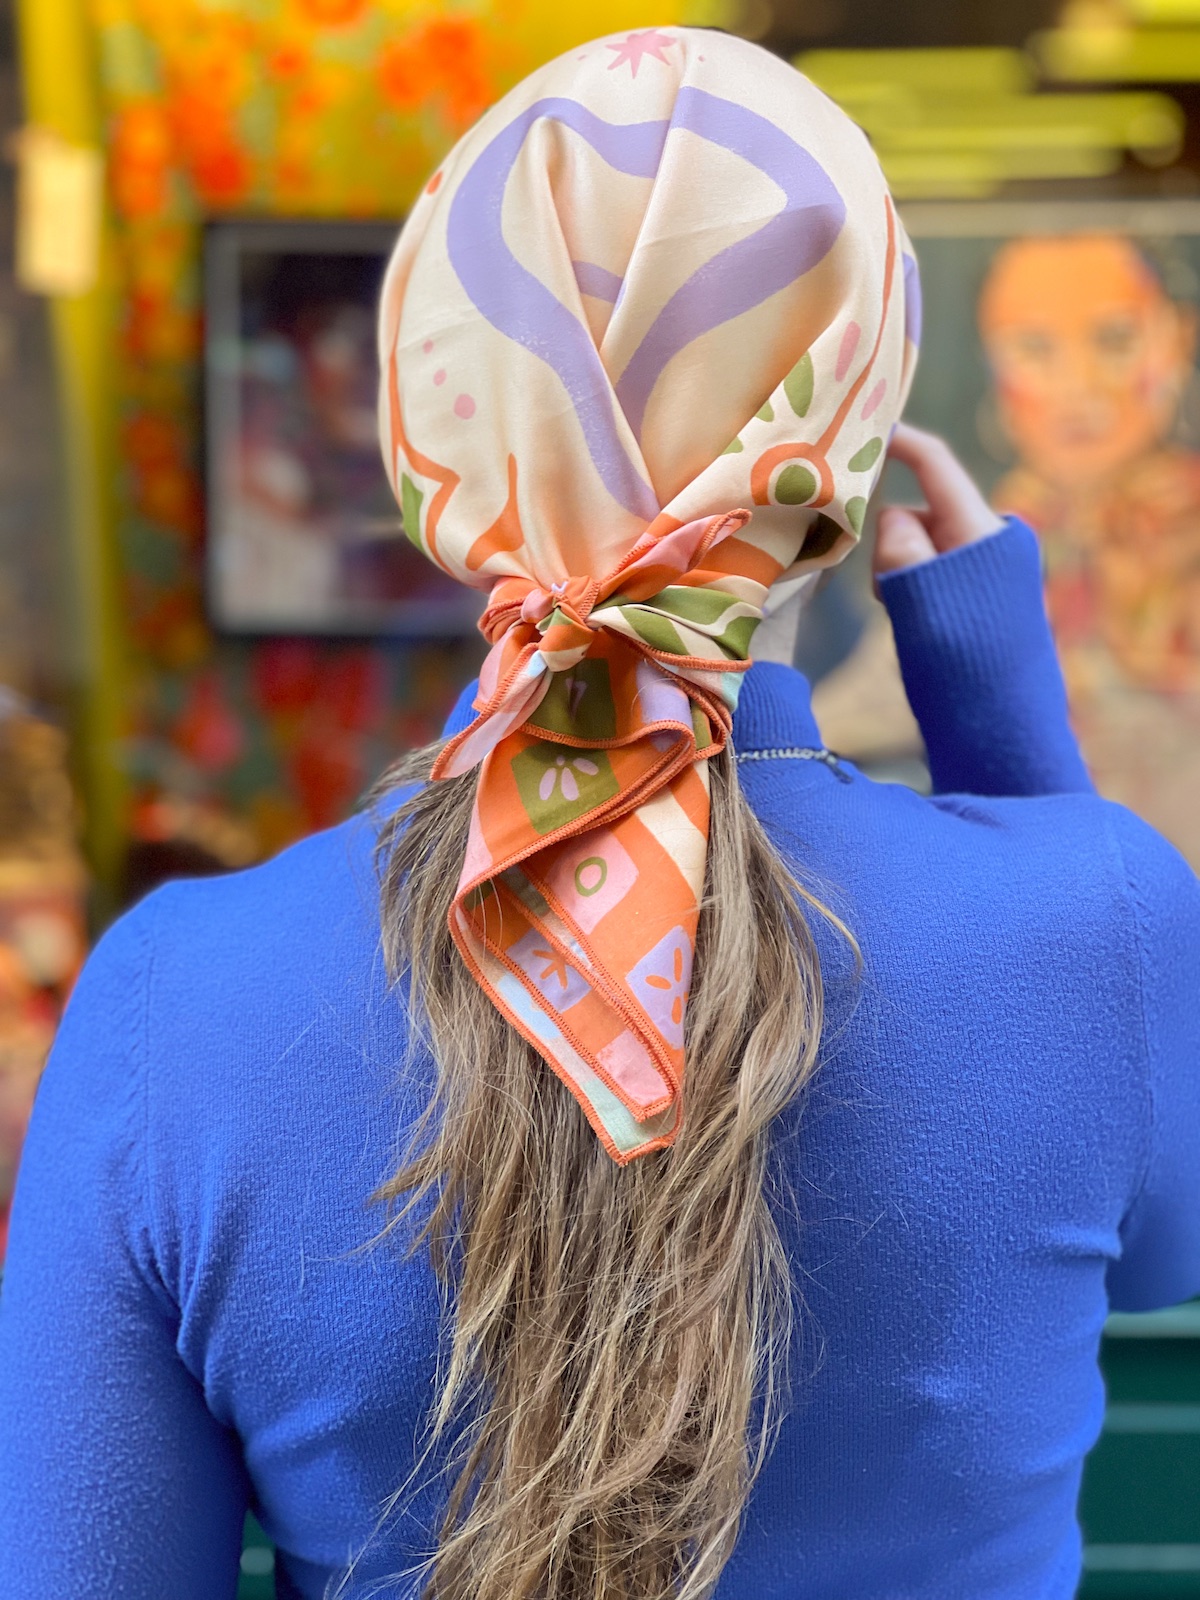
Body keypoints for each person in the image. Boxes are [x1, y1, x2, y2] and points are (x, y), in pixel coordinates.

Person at [1, 29, 1198, 1600]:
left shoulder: (169, 1002)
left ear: (433, 435)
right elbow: (1165, 1251)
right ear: (849, 441)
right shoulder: (1107, 924)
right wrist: (1004, 720)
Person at [979, 232, 1200, 864]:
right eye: (1034, 348)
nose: (1078, 386)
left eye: (1115, 340)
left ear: (1178, 342)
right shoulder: (978, 546)